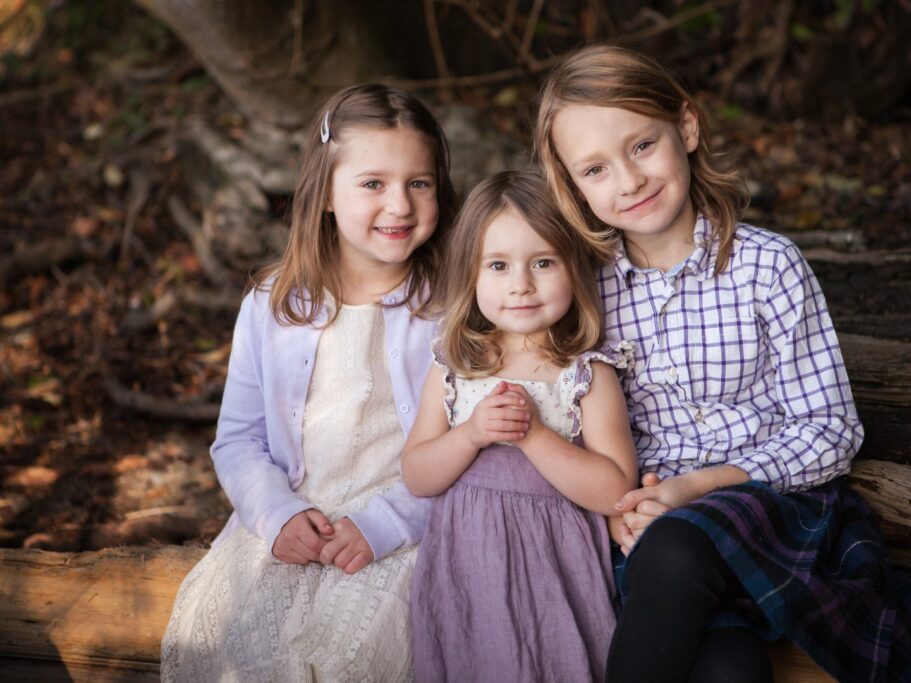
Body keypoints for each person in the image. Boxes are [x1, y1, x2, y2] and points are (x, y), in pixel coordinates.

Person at [535, 45, 911, 683]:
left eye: (642, 146)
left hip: (769, 511)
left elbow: (831, 429)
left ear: (687, 128)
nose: (628, 181)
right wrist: (616, 510)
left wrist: (698, 487)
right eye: (596, 169)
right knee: (731, 669)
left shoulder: (765, 266)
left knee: (676, 547)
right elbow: (570, 422)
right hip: (645, 524)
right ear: (571, 185)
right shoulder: (581, 291)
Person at [160, 83, 458, 682]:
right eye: (372, 184)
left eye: (419, 183)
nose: (399, 204)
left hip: (402, 530)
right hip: (294, 521)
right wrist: (277, 516)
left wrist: (385, 525)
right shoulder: (274, 303)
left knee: (349, 656)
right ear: (324, 192)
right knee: (227, 647)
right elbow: (238, 440)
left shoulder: (454, 305)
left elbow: (469, 447)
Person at [402, 169, 637, 682]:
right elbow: (417, 475)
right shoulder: (454, 368)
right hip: (468, 566)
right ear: (470, 275)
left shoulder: (585, 373)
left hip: (555, 565)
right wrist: (470, 435)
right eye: (498, 265)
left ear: (574, 267)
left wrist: (535, 436)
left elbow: (616, 489)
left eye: (544, 262)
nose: (521, 285)